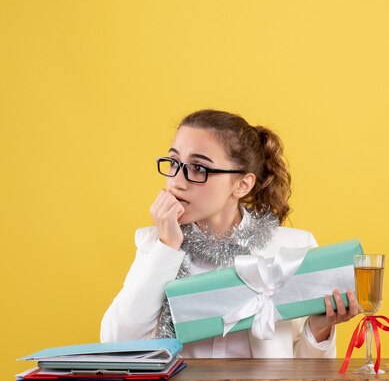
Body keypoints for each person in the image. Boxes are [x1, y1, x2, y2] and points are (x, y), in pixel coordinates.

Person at [100, 109, 358, 358]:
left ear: (242, 184)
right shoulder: (154, 243)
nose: (177, 181)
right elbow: (118, 342)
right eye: (174, 162)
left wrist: (320, 328)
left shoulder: (293, 250)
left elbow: (307, 372)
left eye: (198, 168)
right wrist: (167, 247)